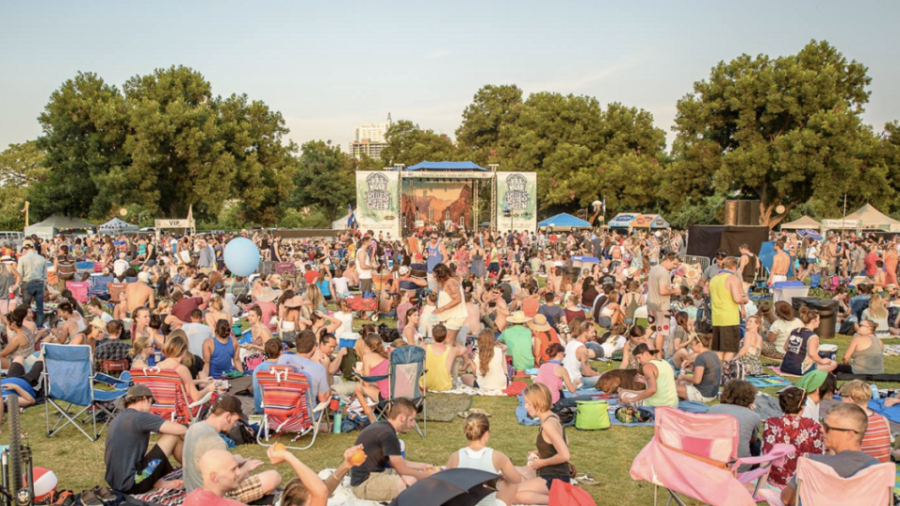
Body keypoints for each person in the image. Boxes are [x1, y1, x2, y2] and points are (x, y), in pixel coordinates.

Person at [183, 395, 282, 503]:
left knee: (237, 458)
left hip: (193, 489)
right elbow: (223, 483)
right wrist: (246, 469)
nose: (235, 425)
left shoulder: (195, 427)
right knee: (273, 477)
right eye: (236, 420)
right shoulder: (216, 442)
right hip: (212, 495)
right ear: (228, 416)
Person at [780, 403, 878, 506]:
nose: (821, 429)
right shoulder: (877, 468)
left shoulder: (814, 464)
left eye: (827, 427)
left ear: (850, 434)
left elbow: (787, 500)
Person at [350, 399, 438, 502]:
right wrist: (426, 476)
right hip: (365, 483)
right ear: (402, 418)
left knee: (415, 474)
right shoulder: (388, 435)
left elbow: (397, 462)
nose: (413, 424)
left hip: (368, 475)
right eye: (411, 420)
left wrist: (421, 465)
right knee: (411, 481)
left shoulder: (383, 427)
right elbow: (402, 469)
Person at [104, 385, 187, 494]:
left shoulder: (118, 419)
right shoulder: (140, 417)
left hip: (116, 482)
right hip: (133, 483)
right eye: (151, 402)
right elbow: (181, 429)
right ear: (144, 399)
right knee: (173, 436)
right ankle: (195, 472)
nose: (151, 406)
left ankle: (157, 481)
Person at [445, 413, 522, 506]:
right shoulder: (497, 456)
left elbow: (447, 486)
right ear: (486, 434)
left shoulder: (455, 457)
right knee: (510, 482)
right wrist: (503, 477)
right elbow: (517, 480)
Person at [514, 383, 571, 505]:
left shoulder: (548, 425)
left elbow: (565, 455)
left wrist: (542, 462)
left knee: (513, 494)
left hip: (555, 479)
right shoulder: (552, 417)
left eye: (528, 403)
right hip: (552, 475)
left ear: (538, 403)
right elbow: (566, 441)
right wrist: (541, 452)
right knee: (511, 476)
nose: (525, 407)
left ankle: (563, 501)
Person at [761, 386, 826, 490]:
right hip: (805, 480)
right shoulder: (814, 426)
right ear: (802, 408)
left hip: (777, 480)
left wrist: (760, 486)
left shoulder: (772, 423)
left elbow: (766, 455)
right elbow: (820, 454)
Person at [708, 380, 761, 469]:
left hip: (711, 460)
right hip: (738, 466)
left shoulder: (713, 409)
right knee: (757, 443)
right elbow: (752, 439)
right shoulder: (753, 416)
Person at [839, 380, 891, 463]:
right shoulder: (883, 419)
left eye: (841, 396)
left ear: (849, 399)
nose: (840, 400)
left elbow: (836, 452)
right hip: (882, 470)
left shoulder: (846, 422)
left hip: (859, 471)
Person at [709, 257, 748, 362]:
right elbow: (737, 298)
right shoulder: (732, 278)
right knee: (730, 348)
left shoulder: (714, 278)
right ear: (734, 266)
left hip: (717, 317)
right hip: (729, 318)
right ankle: (726, 371)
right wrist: (746, 299)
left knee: (719, 349)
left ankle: (718, 371)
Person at [278, 330, 331, 405]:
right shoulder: (319, 369)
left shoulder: (283, 359)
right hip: (305, 414)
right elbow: (323, 398)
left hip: (282, 409)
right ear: (314, 347)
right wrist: (326, 367)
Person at [780, 306, 837, 375]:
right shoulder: (812, 336)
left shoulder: (794, 331)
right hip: (799, 369)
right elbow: (812, 354)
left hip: (785, 366)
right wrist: (821, 361)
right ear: (813, 321)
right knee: (833, 364)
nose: (819, 321)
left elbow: (785, 348)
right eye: (818, 319)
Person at [620, 343, 678, 408]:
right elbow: (662, 386)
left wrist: (633, 399)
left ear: (646, 354)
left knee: (622, 394)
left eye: (639, 357)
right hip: (673, 404)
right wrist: (646, 380)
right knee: (628, 391)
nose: (638, 361)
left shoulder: (647, 366)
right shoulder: (665, 363)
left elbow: (652, 390)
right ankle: (626, 391)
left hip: (655, 406)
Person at [422, 324, 474, 392]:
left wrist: (430, 340)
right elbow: (464, 349)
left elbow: (422, 341)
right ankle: (455, 376)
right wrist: (451, 341)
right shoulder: (451, 350)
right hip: (445, 385)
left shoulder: (424, 347)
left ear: (432, 336)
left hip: (426, 384)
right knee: (456, 356)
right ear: (446, 336)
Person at [354, 333, 391, 423]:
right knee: (373, 387)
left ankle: (372, 420)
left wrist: (360, 376)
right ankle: (390, 419)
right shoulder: (387, 356)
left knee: (358, 388)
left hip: (385, 395)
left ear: (366, 346)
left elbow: (366, 383)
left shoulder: (367, 357)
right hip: (395, 393)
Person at [647, 253, 681, 344]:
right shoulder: (664, 273)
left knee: (651, 329)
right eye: (674, 263)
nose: (675, 266)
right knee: (660, 332)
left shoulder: (654, 269)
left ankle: (644, 349)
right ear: (668, 260)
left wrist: (670, 288)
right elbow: (663, 291)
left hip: (651, 303)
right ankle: (658, 356)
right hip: (661, 306)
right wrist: (676, 291)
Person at [676, 333, 721, 403]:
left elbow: (697, 380)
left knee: (672, 388)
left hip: (702, 394)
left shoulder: (700, 358)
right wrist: (693, 362)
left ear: (699, 345)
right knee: (681, 384)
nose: (691, 347)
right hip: (712, 394)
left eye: (692, 345)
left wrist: (683, 377)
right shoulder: (713, 354)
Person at [432, 263, 468, 344]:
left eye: (435, 274)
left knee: (448, 341)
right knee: (453, 341)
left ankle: (456, 356)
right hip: (448, 316)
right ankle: (466, 356)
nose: (433, 276)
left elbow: (458, 299)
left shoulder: (450, 282)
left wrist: (442, 308)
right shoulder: (443, 282)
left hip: (455, 316)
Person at [562, 321, 601, 389]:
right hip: (576, 382)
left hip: (564, 380)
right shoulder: (582, 349)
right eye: (592, 332)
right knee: (607, 377)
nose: (594, 334)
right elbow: (587, 373)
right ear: (585, 333)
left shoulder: (570, 343)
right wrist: (600, 374)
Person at [17, 240, 46, 327]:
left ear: (25, 249)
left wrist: (19, 286)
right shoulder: (41, 258)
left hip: (27, 283)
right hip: (39, 282)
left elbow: (19, 274)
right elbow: (45, 275)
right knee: (40, 307)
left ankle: (25, 325)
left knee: (25, 307)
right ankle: (39, 326)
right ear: (33, 247)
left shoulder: (22, 259)